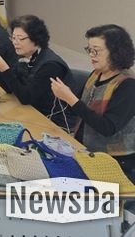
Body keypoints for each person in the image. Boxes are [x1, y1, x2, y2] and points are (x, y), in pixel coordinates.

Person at [51, 24, 135, 183]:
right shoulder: (97, 73)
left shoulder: (128, 85)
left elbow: (107, 127)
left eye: (96, 51)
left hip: (115, 161)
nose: (91, 55)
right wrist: (64, 96)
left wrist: (71, 99)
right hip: (85, 149)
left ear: (116, 52)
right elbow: (82, 110)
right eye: (89, 49)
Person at [0, 15, 77, 131]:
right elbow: (11, 89)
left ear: (36, 38)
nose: (15, 43)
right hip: (34, 111)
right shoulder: (25, 56)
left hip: (55, 122)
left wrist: (4, 68)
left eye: (20, 39)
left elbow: (26, 98)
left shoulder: (50, 65)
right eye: (13, 38)